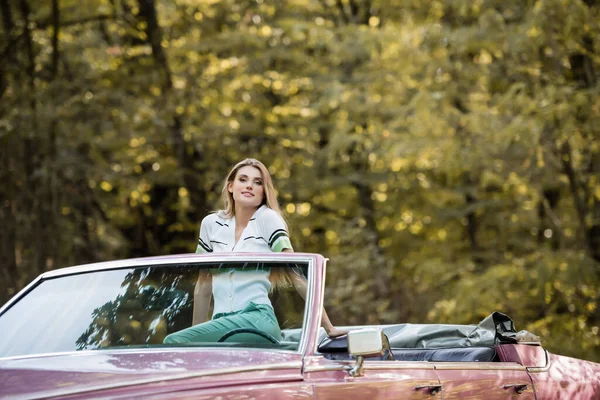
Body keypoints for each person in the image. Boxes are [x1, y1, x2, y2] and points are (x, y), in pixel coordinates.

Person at [164, 158, 345, 344]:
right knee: (192, 349)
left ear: (263, 192)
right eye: (243, 179)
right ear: (230, 186)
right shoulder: (211, 224)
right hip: (222, 322)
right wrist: (197, 336)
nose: (249, 185)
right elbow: (203, 287)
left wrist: (328, 327)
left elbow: (296, 275)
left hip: (257, 319)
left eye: (257, 182)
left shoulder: (268, 219)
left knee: (174, 341)